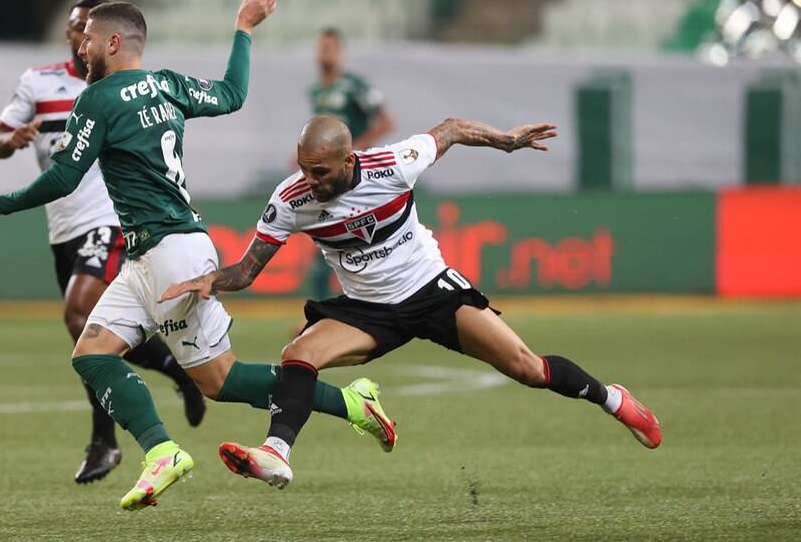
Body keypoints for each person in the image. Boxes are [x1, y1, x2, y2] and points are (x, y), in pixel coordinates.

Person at [0, 0, 393, 511]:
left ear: (114, 42)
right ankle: (164, 450)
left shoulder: (96, 99)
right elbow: (232, 94)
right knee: (93, 356)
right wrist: (244, 28)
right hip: (152, 254)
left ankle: (349, 404)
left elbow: (66, 176)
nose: (81, 49)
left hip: (171, 255)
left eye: (89, 40)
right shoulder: (167, 86)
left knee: (220, 380)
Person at [159, 115, 663, 489]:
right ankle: (277, 452)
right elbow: (248, 269)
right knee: (298, 355)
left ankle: (614, 400)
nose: (311, 181)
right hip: (369, 309)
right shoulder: (291, 200)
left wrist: (505, 142)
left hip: (432, 292)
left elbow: (451, 129)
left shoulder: (393, 165)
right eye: (305, 170)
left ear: (349, 161)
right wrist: (212, 281)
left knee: (528, 368)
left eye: (321, 172)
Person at [0, 0, 205, 485]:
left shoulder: (116, 87)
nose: (79, 37)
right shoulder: (37, 83)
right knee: (85, 328)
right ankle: (173, 367)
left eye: (88, 30)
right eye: (74, 29)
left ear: (106, 36)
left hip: (106, 217)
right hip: (61, 225)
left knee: (77, 314)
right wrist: (12, 140)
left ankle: (106, 440)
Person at [305, 27, 394, 301]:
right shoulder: (317, 91)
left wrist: (354, 148)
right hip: (331, 180)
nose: (325, 53)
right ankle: (322, 311)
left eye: (330, 48)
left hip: (358, 175)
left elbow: (386, 122)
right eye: (321, 47)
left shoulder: (355, 86)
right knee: (324, 243)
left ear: (341, 52)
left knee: (364, 240)